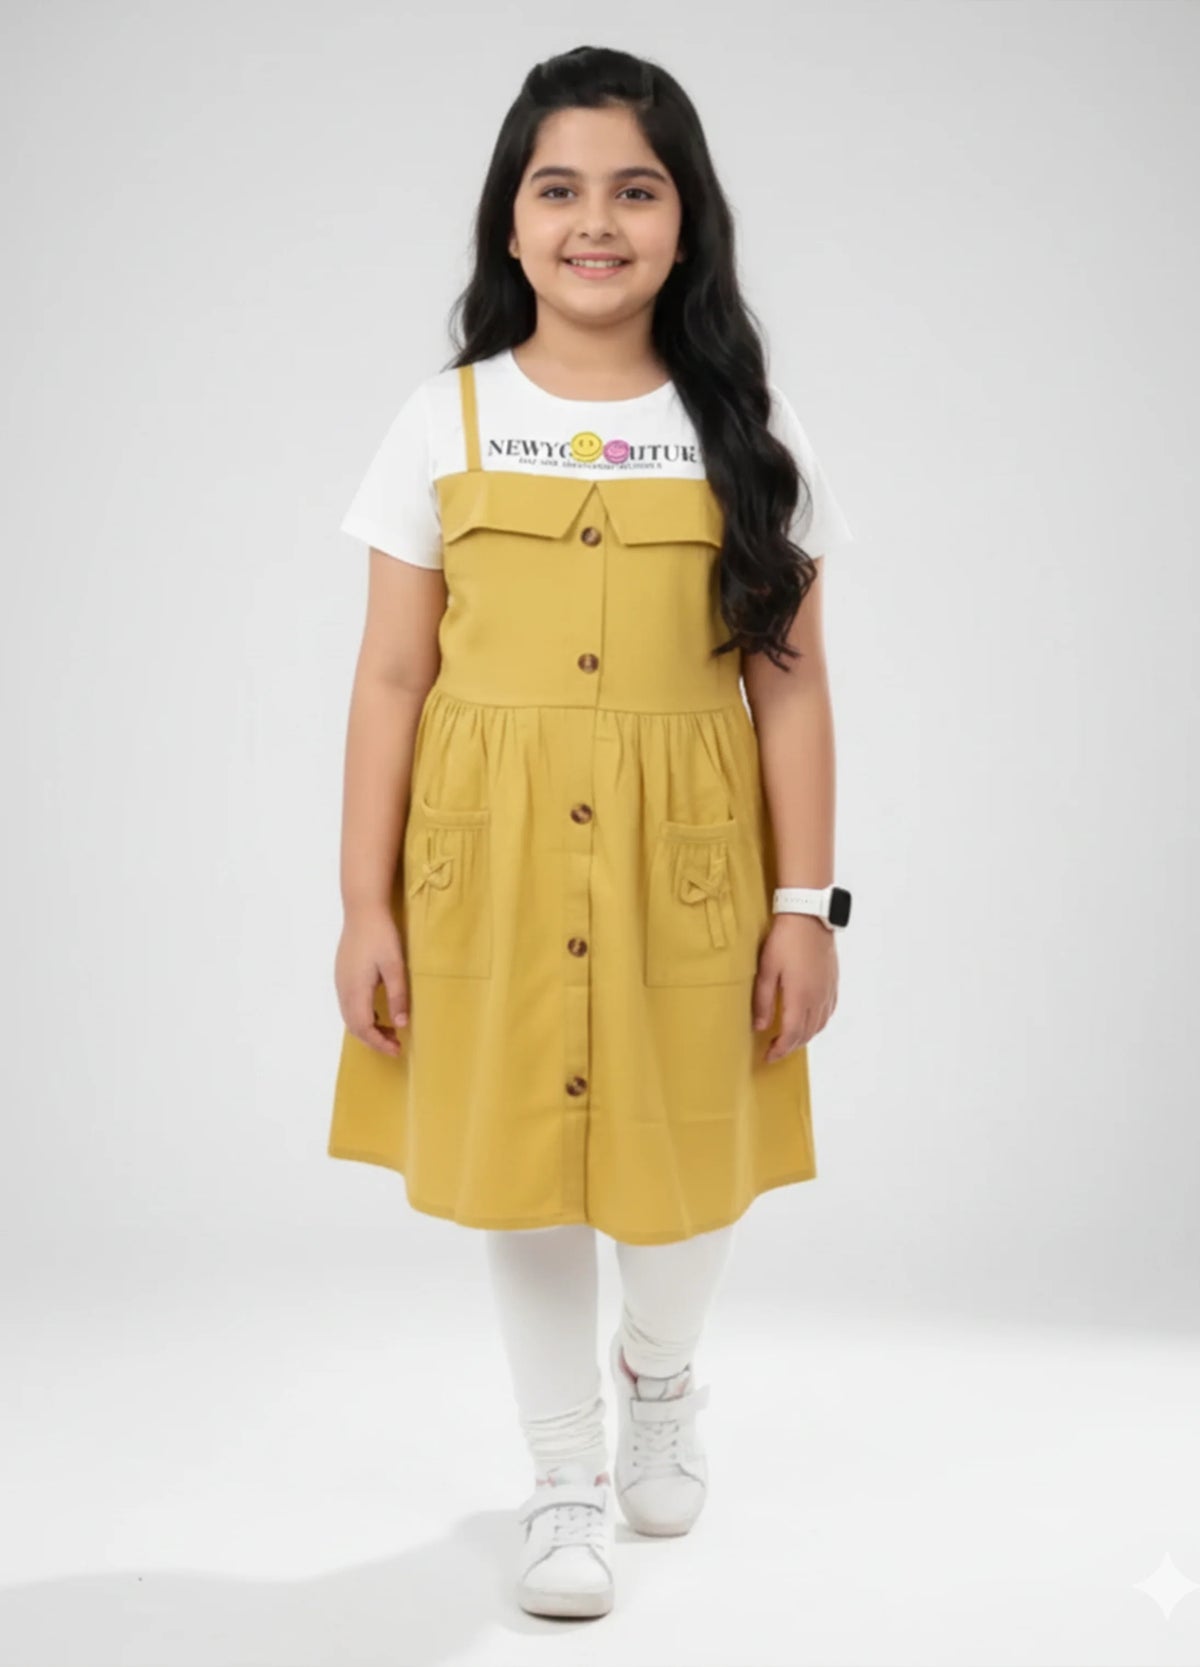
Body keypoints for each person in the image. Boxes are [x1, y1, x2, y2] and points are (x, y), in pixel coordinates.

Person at [328, 44, 854, 1622]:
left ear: (687, 225)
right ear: (512, 220)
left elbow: (792, 689)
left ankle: (660, 1375)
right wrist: (363, 904)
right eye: (558, 189)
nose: (596, 222)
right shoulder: (444, 421)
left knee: (686, 1160)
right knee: (528, 1176)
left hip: (685, 868)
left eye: (636, 190)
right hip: (485, 866)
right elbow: (392, 673)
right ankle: (564, 1474)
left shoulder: (749, 430)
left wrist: (806, 903)